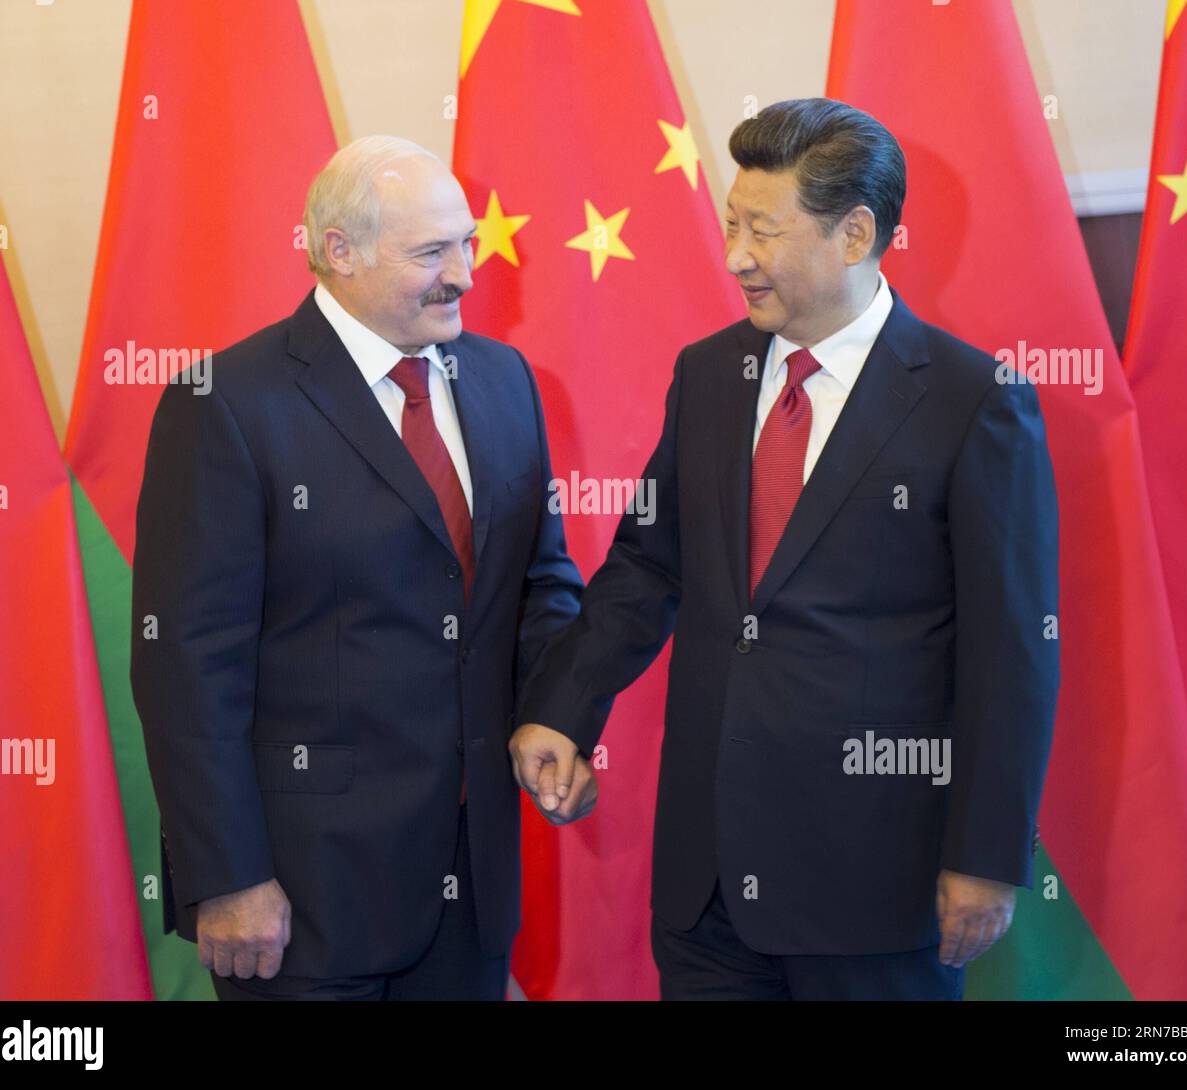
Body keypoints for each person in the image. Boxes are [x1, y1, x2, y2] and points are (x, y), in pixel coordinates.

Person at [511, 98, 1059, 1000]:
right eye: (732, 224)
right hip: (707, 888)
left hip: (876, 887)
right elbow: (649, 563)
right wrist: (566, 707)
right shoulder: (708, 374)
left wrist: (988, 856)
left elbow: (1014, 653)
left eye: (762, 231)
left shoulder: (974, 401)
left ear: (853, 234)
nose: (734, 256)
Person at [131, 136, 590, 1001]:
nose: (464, 272)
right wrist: (226, 876)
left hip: (473, 889)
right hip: (303, 902)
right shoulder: (226, 405)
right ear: (337, 251)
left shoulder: (503, 380)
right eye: (431, 253)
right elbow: (186, 664)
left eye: (467, 245)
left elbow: (541, 586)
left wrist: (560, 717)